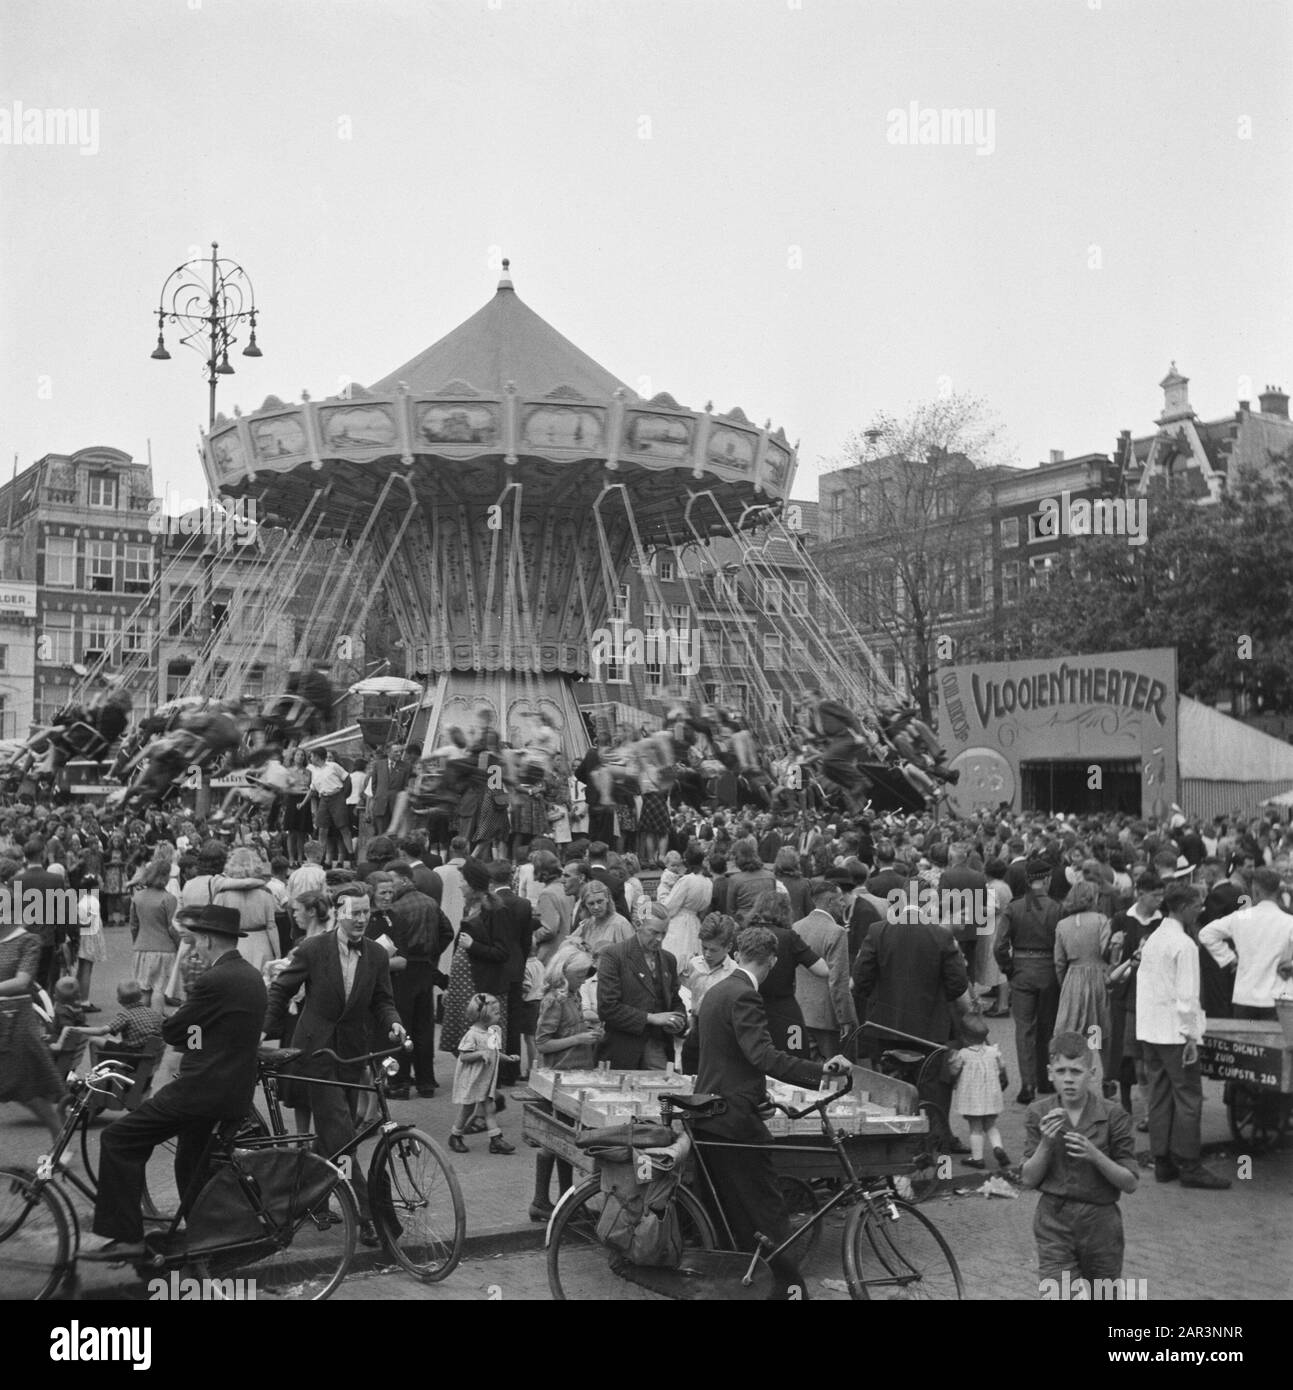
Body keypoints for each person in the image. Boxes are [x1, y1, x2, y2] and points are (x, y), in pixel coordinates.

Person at [84, 905, 268, 1260]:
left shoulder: (214, 980)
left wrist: (189, 1029)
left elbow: (173, 1030)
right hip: (230, 1091)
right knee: (190, 1161)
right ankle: (207, 1237)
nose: (193, 947)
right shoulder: (249, 975)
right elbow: (196, 1035)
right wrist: (194, 1033)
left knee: (119, 1139)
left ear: (205, 939)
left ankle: (126, 1237)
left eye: (195, 940)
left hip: (201, 1090)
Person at [693, 926, 853, 1299]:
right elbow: (761, 1055)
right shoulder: (746, 995)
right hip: (734, 1121)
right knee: (767, 1213)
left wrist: (756, 1093)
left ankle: (737, 1288)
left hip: (710, 1116)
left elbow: (724, 1057)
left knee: (730, 1217)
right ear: (773, 961)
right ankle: (787, 1293)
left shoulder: (717, 990)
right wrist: (821, 1070)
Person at [262, 883, 407, 1246]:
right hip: (316, 1054)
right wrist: (263, 1032)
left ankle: (305, 1198)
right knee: (341, 1134)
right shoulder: (313, 949)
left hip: (352, 1054)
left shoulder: (375, 954)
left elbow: (382, 1001)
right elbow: (280, 990)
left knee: (339, 1133)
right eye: (354, 913)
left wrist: (393, 1023)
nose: (361, 920)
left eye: (366, 913)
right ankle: (369, 1215)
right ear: (338, 912)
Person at [1020, 1031, 1138, 1300]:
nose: (1069, 1079)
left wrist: (1095, 1155)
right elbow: (1027, 1179)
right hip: (1054, 1221)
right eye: (1061, 1071)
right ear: (1050, 1073)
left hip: (1101, 1223)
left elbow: (1130, 1182)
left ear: (1092, 1073)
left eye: (1076, 1071)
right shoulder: (1038, 1113)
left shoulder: (1113, 1115)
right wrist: (1047, 1143)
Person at [1136, 881, 1230, 1189]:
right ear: (1182, 908)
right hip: (1176, 1033)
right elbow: (1188, 996)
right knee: (1189, 1097)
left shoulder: (1153, 939)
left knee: (1159, 1095)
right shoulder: (1185, 945)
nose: (1201, 909)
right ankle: (1190, 1164)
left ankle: (1162, 1159)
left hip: (1151, 1029)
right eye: (1196, 905)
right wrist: (1192, 1036)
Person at [530, 950, 601, 1220]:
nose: (584, 980)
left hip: (575, 1074)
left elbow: (572, 1029)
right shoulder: (553, 1000)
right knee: (554, 1139)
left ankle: (565, 1198)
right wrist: (579, 1040)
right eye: (580, 975)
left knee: (565, 1140)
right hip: (558, 1076)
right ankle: (541, 1200)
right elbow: (543, 1042)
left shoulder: (573, 994)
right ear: (565, 973)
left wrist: (589, 1034)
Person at [994, 855, 1062, 1103]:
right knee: (1047, 1028)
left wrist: (1009, 968)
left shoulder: (1014, 907)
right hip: (1048, 971)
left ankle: (1028, 1085)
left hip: (1021, 970)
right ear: (1046, 879)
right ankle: (1045, 1079)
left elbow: (999, 946)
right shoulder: (1057, 908)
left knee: (1024, 1030)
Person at [382, 861, 449, 1099]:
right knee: (424, 1028)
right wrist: (432, 955)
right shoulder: (430, 902)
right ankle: (426, 1082)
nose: (389, 888)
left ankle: (399, 1083)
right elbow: (447, 931)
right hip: (424, 969)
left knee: (402, 1027)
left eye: (392, 882)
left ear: (404, 880)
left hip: (402, 971)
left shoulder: (396, 909)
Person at [596, 904, 686, 1068]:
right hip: (623, 1052)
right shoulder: (614, 956)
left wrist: (678, 1019)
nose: (659, 939)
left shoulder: (669, 960)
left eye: (663, 933)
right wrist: (651, 1018)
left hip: (659, 1050)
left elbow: (675, 1001)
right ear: (637, 925)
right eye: (654, 932)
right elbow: (607, 1008)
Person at [1198, 867, 1293, 1021]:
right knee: (1277, 1044)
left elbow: (1206, 934)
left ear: (1255, 890)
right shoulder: (1289, 922)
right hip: (1279, 996)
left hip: (1245, 996)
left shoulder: (1241, 918)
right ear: (1277, 891)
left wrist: (1229, 958)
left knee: (1243, 1042)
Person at [1053, 879, 1113, 1085]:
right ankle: (1105, 1077)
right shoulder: (1101, 920)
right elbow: (1107, 950)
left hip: (1073, 977)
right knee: (1099, 1027)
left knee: (1071, 1028)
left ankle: (1072, 1074)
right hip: (1097, 976)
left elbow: (1059, 961)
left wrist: (1065, 984)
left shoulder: (1063, 924)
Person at [792, 879, 858, 1061]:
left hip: (800, 1013)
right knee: (835, 1074)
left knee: (803, 1069)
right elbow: (838, 980)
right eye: (840, 900)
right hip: (828, 1019)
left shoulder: (796, 927)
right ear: (830, 902)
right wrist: (845, 1018)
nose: (844, 904)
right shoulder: (836, 932)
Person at [447, 993, 517, 1155]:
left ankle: (495, 1139)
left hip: (486, 1080)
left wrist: (508, 1058)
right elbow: (463, 1056)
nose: (499, 1015)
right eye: (496, 1013)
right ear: (484, 1015)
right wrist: (479, 1054)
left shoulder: (493, 1032)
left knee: (489, 1108)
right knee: (468, 1109)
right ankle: (455, 1135)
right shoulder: (472, 1035)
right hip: (473, 1079)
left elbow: (496, 1053)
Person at [948, 1012, 1011, 1170]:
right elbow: (1002, 1065)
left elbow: (954, 1070)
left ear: (965, 1037)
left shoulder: (963, 1054)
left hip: (972, 1098)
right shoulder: (993, 1052)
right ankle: (998, 1147)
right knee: (991, 1125)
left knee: (975, 1128)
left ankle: (978, 1158)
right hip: (991, 1096)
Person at [679, 913, 739, 1072]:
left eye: (713, 950)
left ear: (728, 947)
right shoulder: (693, 965)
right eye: (704, 947)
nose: (707, 954)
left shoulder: (734, 973)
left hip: (721, 1036)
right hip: (695, 1033)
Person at [128, 858, 180, 1009]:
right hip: (164, 949)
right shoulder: (169, 899)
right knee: (159, 989)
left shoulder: (137, 897)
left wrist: (136, 942)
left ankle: (141, 1021)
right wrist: (179, 945)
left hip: (141, 947)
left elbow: (133, 925)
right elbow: (171, 927)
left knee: (144, 990)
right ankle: (156, 1024)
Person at [659, 842, 713, 964]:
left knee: (676, 960)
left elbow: (668, 907)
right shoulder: (708, 881)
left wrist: (663, 890)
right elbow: (705, 906)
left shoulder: (687, 880)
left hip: (679, 924)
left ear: (686, 861)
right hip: (695, 923)